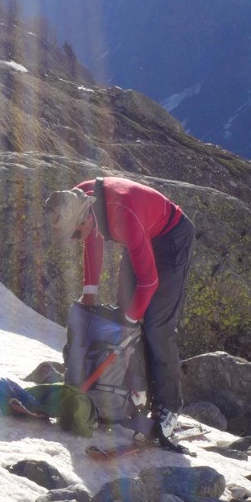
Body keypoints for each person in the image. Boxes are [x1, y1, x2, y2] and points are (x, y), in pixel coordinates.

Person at [45, 177, 195, 448]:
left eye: (75, 234)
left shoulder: (121, 214)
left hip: (171, 236)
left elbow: (150, 281)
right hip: (142, 235)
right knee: (122, 317)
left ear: (85, 216)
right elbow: (93, 239)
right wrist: (88, 296)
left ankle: (168, 409)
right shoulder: (77, 198)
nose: (76, 240)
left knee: (155, 325)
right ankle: (127, 393)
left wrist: (129, 319)